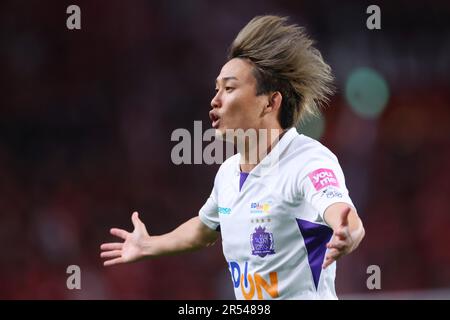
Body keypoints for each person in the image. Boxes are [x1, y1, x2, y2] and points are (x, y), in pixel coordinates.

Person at [100, 15, 365, 300]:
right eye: (217, 89)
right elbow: (204, 229)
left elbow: (345, 217)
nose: (215, 100)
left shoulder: (308, 160)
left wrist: (347, 234)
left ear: (270, 102)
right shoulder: (228, 173)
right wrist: (150, 245)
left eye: (229, 88)